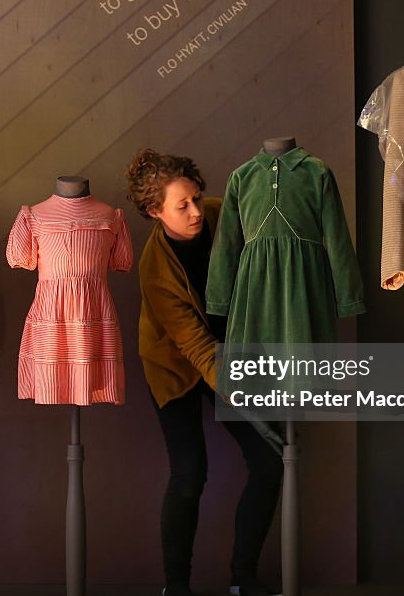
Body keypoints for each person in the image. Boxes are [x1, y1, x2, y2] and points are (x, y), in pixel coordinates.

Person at [128, 148, 283, 596]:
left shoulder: (221, 215)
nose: (196, 210)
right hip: (176, 365)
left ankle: (243, 579)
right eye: (182, 205)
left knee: (269, 461)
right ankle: (175, 586)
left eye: (197, 197)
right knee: (190, 473)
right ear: (156, 212)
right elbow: (196, 347)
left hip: (232, 354)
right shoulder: (155, 269)